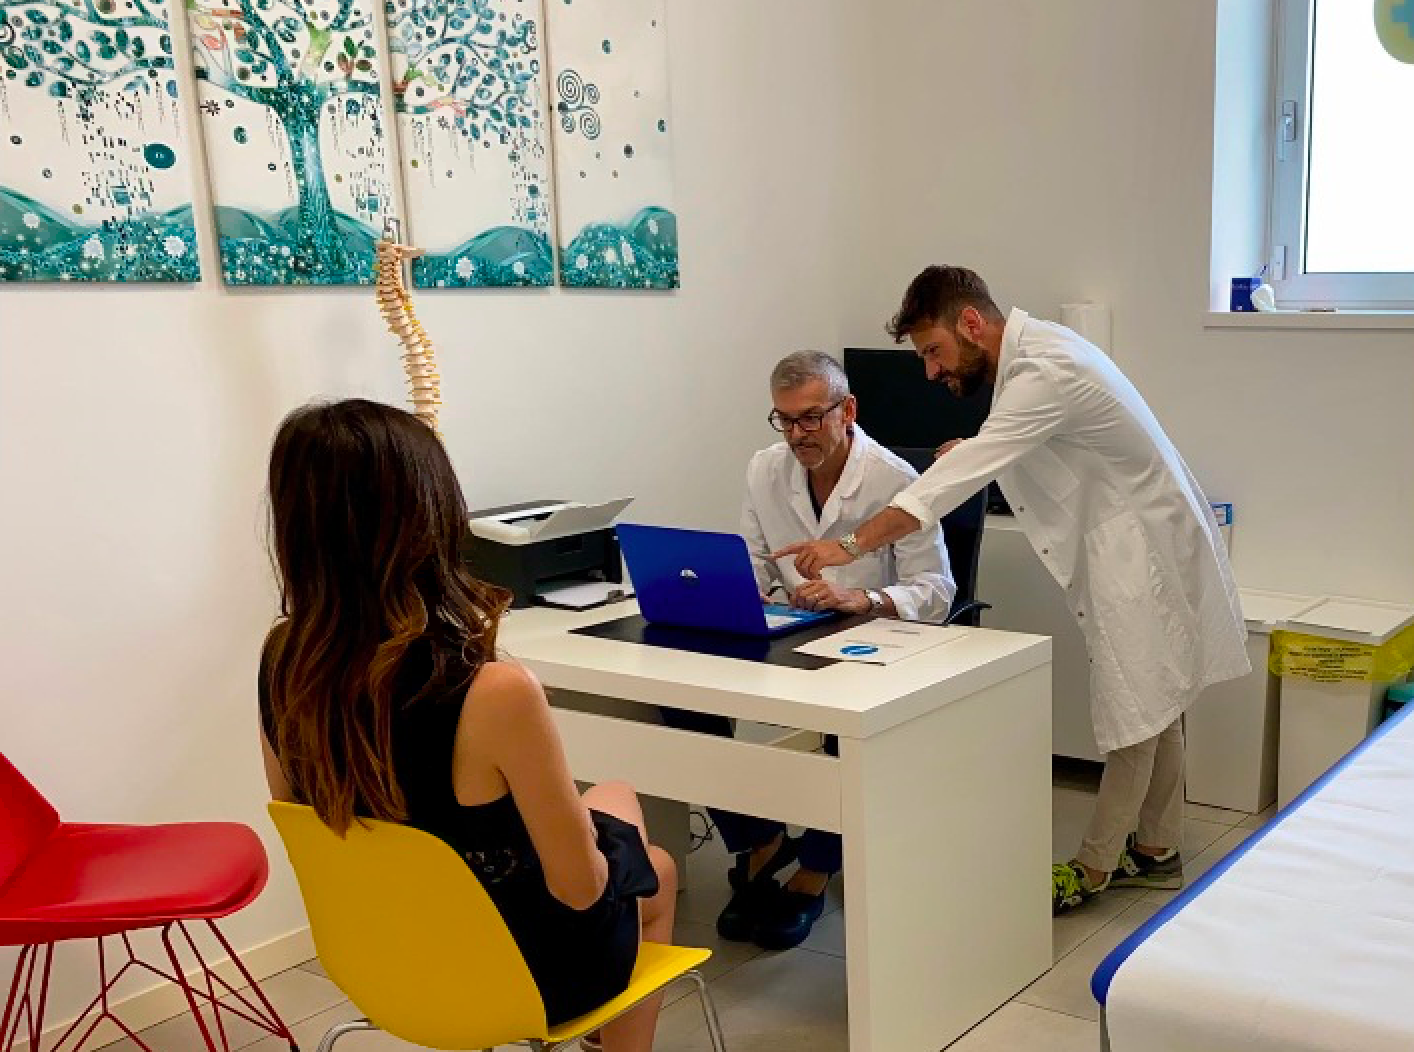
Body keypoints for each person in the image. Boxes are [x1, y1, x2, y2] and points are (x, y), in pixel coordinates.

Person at [773, 267, 1249, 915]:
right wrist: (976, 445)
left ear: (971, 324)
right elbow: (1033, 437)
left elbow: (944, 489)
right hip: (1144, 540)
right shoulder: (1041, 353)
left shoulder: (1045, 371)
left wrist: (847, 546)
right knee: (1156, 700)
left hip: (1143, 555)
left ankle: (1095, 866)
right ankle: (1157, 849)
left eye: (934, 351)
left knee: (1136, 710)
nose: (932, 372)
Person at [257, 399, 675, 1052]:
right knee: (652, 859)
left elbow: (305, 825)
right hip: (520, 975)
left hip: (385, 964)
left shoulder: (283, 661)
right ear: (429, 516)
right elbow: (579, 889)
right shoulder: (494, 690)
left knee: (614, 810)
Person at [664, 352, 954, 949]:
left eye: (812, 417)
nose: (798, 434)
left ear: (848, 411)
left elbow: (937, 591)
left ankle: (815, 869)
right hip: (791, 631)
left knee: (847, 730)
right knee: (681, 700)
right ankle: (759, 837)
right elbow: (752, 558)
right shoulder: (764, 469)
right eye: (786, 419)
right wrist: (748, 593)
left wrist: (860, 596)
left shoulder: (896, 480)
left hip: (871, 643)